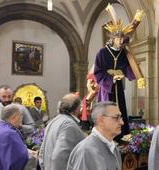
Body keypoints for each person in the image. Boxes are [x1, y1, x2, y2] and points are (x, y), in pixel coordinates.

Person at [94, 5, 145, 137]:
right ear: (112, 39)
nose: (120, 41)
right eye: (117, 38)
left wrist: (138, 75)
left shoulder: (123, 52)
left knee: (120, 109)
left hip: (118, 87)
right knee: (107, 110)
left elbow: (128, 67)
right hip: (107, 88)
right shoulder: (102, 52)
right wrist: (111, 78)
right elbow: (98, 72)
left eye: (122, 39)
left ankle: (122, 134)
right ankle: (106, 133)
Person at [67, 101, 124, 170]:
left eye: (121, 117)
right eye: (116, 118)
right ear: (101, 120)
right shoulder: (86, 151)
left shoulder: (113, 148)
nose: (122, 122)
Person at [39, 93, 85, 170]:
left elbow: (41, 153)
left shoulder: (53, 121)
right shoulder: (69, 125)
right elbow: (59, 157)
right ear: (77, 109)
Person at [0, 103, 29, 170]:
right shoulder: (9, 133)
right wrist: (31, 154)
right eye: (20, 116)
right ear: (14, 117)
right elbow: (18, 159)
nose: (21, 119)